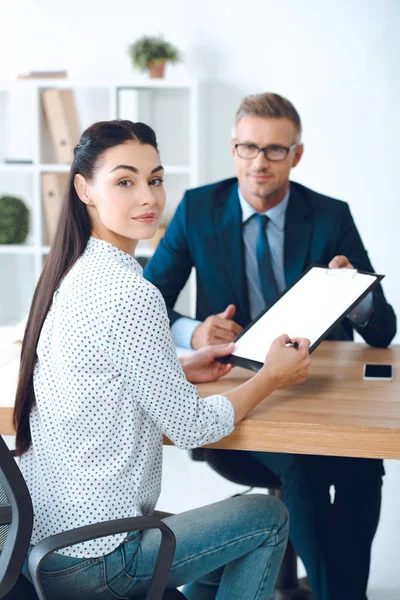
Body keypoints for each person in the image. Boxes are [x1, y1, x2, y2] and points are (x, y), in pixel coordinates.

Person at [14, 119, 311, 600]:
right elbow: (193, 427)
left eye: (155, 179)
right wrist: (271, 378)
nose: (148, 198)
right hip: (99, 560)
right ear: (84, 189)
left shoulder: (72, 272)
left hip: (40, 547)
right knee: (267, 516)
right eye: (125, 181)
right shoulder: (132, 292)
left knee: (230, 523)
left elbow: (101, 369)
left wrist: (179, 365)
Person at [144, 93, 397, 600]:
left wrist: (356, 300)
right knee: (300, 459)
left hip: (322, 389)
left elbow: (383, 330)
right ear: (233, 148)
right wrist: (193, 330)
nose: (259, 162)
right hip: (245, 395)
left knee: (364, 467)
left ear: (296, 155)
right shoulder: (197, 208)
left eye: (275, 151)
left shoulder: (329, 216)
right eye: (248, 148)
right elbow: (149, 305)